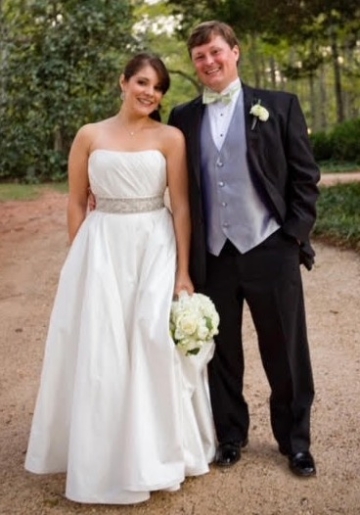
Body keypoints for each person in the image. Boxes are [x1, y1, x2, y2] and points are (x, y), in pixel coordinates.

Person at [24, 52, 215, 504]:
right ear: (124, 82)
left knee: (150, 342)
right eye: (144, 82)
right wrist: (81, 256)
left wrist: (183, 271)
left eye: (159, 87)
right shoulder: (89, 135)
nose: (151, 92)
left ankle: (155, 453)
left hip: (154, 243)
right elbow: (75, 201)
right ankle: (101, 456)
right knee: (102, 348)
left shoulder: (170, 137)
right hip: (102, 246)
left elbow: (182, 207)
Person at [168, 21, 320, 477]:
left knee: (285, 350)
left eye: (216, 52)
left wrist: (292, 236)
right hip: (212, 253)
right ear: (194, 65)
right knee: (222, 353)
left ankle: (295, 442)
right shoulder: (182, 117)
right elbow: (161, 172)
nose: (209, 62)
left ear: (235, 53)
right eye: (200, 57)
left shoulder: (278, 105)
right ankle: (230, 436)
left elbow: (305, 178)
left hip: (269, 246)